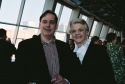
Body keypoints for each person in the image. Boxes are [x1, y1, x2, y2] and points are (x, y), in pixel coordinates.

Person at [15, 10, 76, 84]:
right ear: (40, 24)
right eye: (44, 22)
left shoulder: (65, 47)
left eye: (52, 22)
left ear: (56, 26)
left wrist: (66, 81)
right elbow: (18, 73)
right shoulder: (25, 46)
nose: (48, 25)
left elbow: (72, 70)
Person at [69, 18, 116, 84]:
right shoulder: (69, 53)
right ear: (71, 34)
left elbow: (109, 76)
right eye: (74, 31)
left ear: (87, 32)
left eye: (80, 30)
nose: (77, 33)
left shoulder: (100, 51)